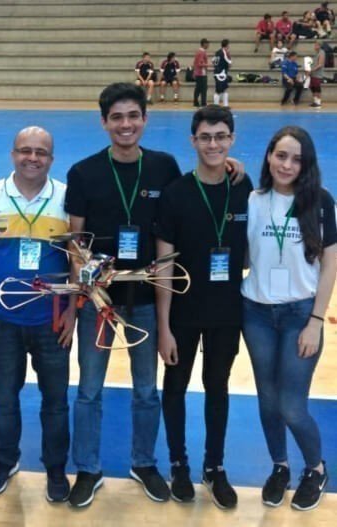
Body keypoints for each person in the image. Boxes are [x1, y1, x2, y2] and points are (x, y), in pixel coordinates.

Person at [65, 83, 182, 507]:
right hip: (98, 302)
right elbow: (75, 241)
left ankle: (144, 462)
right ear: (104, 122)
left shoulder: (165, 167)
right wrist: (88, 290)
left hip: (147, 301)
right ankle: (88, 468)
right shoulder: (83, 172)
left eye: (133, 116)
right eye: (117, 117)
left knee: (146, 390)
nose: (126, 124)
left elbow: (181, 211)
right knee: (89, 390)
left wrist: (231, 167)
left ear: (145, 119)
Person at [0, 126, 76, 502]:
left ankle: (55, 469)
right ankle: (5, 460)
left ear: (51, 160)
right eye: (25, 150)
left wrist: (72, 311)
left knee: (55, 401)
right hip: (1, 320)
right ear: (12, 155)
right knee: (3, 398)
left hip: (51, 322)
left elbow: (78, 262)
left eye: (41, 152)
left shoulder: (67, 200)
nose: (32, 158)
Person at [155, 106, 252, 509]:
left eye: (221, 136)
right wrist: (163, 326)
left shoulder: (246, 189)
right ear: (193, 141)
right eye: (205, 137)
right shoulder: (176, 194)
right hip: (183, 312)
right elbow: (163, 265)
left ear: (231, 139)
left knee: (219, 387)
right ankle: (179, 464)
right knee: (175, 387)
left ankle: (215, 467)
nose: (213, 144)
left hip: (227, 311)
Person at [241, 126, 337, 511]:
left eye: (296, 158)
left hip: (300, 313)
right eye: (281, 155)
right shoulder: (252, 199)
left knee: (291, 405)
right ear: (268, 156)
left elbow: (330, 264)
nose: (287, 164)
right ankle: (279, 466)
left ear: (306, 164)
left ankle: (315, 468)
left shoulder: (321, 201)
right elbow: (245, 256)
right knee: (267, 401)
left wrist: (316, 319)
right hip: (257, 312)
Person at [213, 39, 232, 107]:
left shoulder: (217, 52)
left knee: (224, 89)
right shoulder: (225, 53)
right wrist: (229, 56)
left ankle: (225, 105)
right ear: (227, 45)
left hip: (217, 72)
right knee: (219, 90)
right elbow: (229, 63)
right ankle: (216, 106)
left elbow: (213, 61)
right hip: (221, 74)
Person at [193, 38, 210, 108]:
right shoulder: (201, 52)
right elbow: (200, 64)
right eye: (207, 43)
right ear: (204, 44)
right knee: (203, 88)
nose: (208, 45)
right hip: (201, 73)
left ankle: (196, 102)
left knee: (199, 88)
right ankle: (203, 103)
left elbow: (195, 63)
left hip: (199, 73)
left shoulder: (199, 52)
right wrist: (209, 65)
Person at [308, 40, 326, 107]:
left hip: (318, 74)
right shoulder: (316, 53)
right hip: (313, 73)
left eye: (316, 45)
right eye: (315, 44)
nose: (315, 46)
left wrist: (312, 70)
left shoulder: (322, 53)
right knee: (312, 87)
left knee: (317, 87)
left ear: (319, 45)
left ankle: (318, 102)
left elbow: (320, 64)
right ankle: (315, 101)